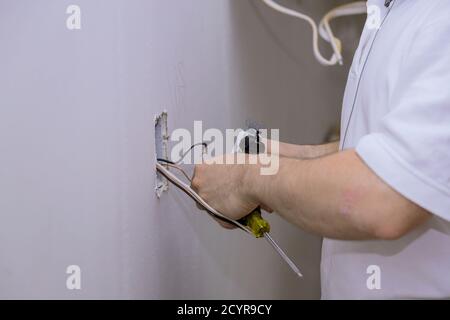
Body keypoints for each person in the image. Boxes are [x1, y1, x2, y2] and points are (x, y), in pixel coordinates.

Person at [191, 0, 450, 299]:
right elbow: (391, 151)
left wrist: (247, 180)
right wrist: (281, 159)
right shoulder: (395, 11)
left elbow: (385, 196)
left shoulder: (440, 17)